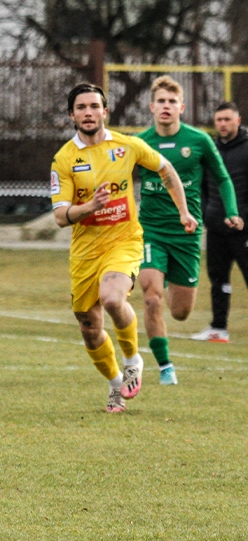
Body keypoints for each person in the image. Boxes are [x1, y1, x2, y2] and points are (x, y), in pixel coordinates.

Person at [51, 82, 189, 412]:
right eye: (81, 108)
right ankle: (115, 384)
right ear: (72, 115)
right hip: (85, 252)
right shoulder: (65, 159)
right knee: (89, 327)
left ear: (105, 111)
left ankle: (132, 361)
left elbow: (166, 169)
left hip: (124, 241)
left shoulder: (128, 146)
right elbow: (59, 216)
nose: (88, 112)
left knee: (113, 298)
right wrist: (90, 208)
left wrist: (184, 211)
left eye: (94, 106)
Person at [135, 77, 242, 385]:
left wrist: (232, 212)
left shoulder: (198, 140)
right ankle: (165, 365)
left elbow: (222, 178)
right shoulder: (140, 143)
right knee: (151, 297)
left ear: (181, 107)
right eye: (161, 101)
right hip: (151, 230)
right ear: (152, 106)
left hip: (187, 233)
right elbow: (122, 178)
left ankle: (169, 279)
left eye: (172, 101)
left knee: (180, 311)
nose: (166, 106)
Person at [191, 101, 248, 343]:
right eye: (219, 120)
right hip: (216, 228)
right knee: (218, 279)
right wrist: (207, 214)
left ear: (238, 120)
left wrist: (243, 218)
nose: (223, 124)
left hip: (244, 229)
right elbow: (201, 187)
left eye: (227, 119)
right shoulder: (210, 149)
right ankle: (218, 327)